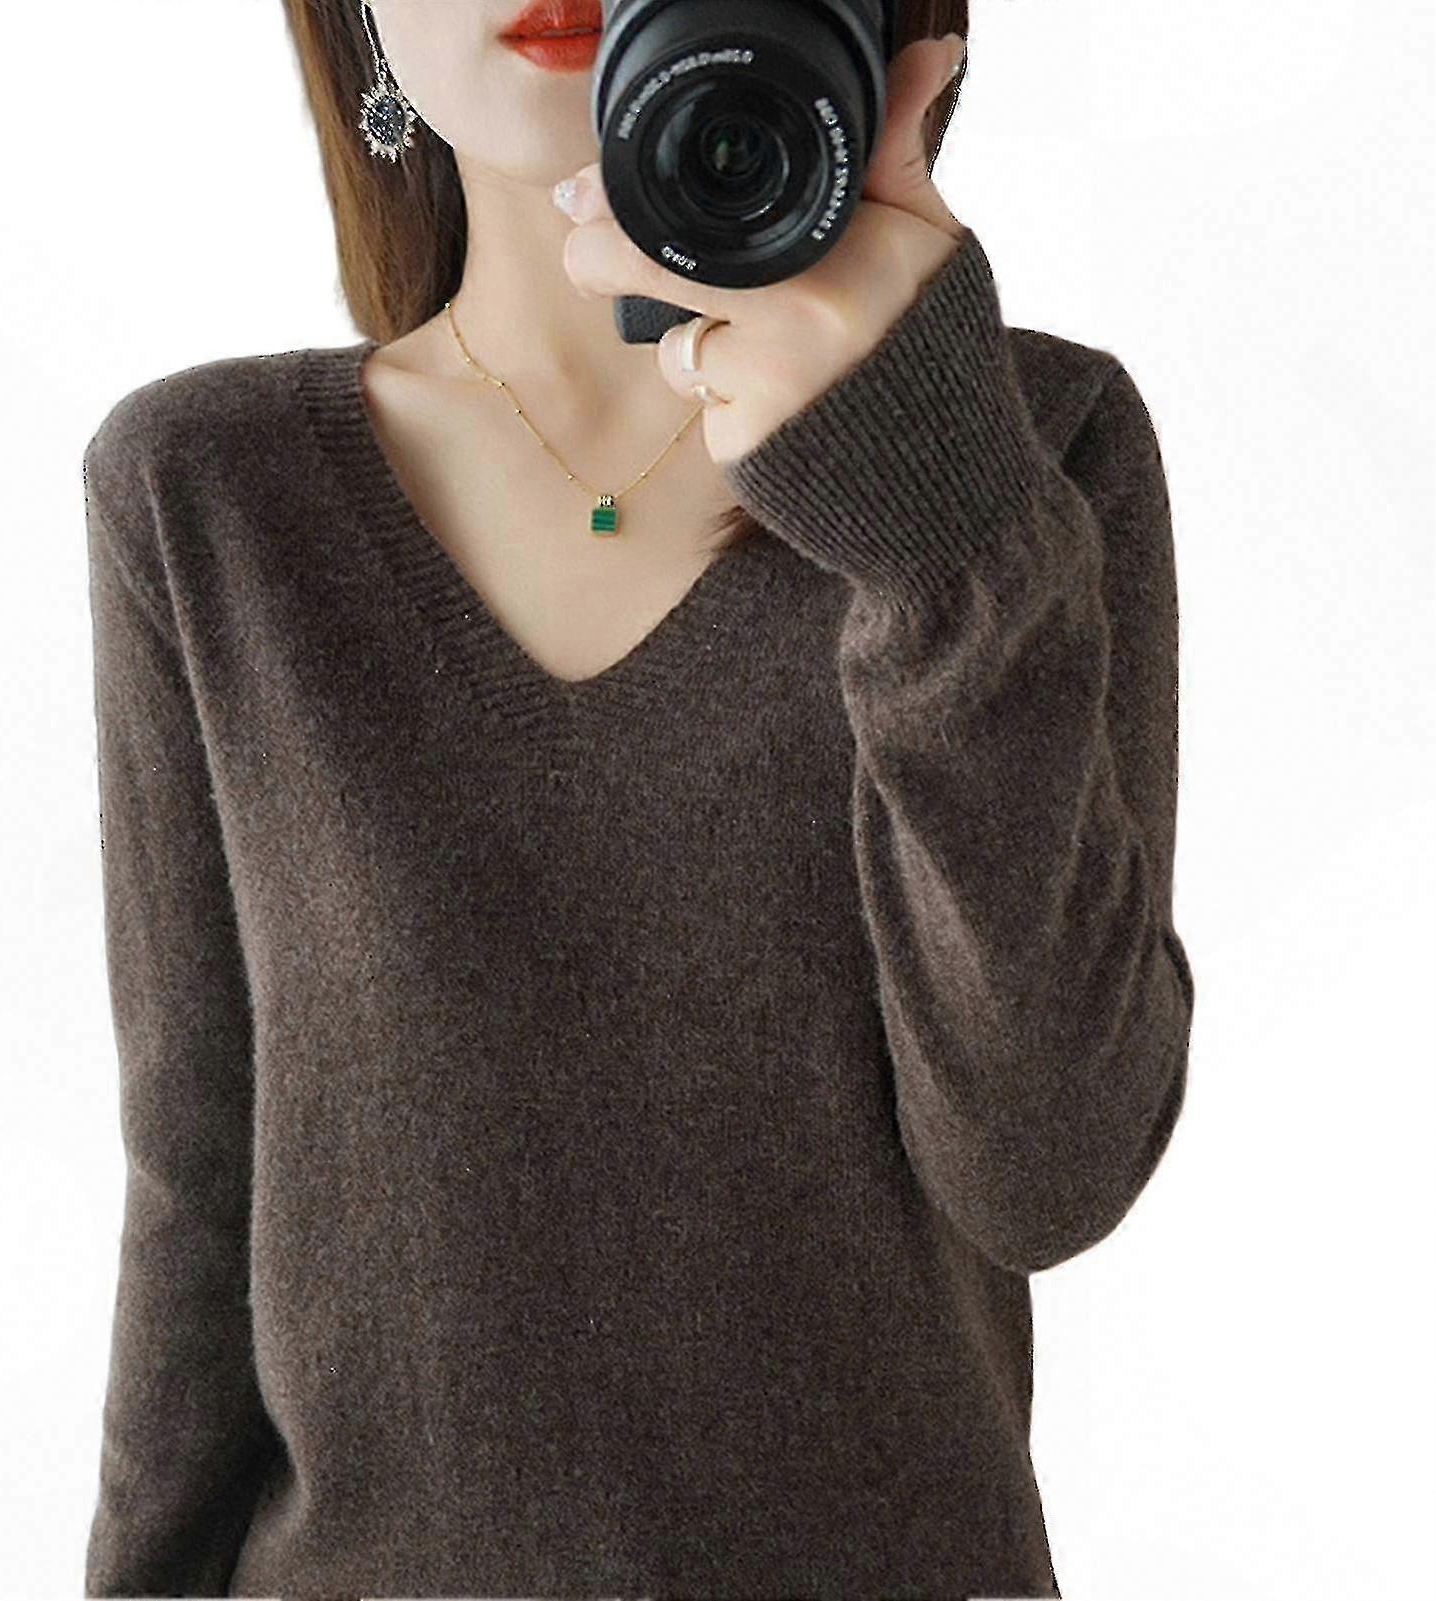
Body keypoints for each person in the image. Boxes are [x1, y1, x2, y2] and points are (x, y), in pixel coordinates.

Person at [81, 2, 1195, 1596]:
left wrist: (938, 534)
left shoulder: (1027, 459)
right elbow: (197, 1198)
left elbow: (1045, 1169)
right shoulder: (204, 489)